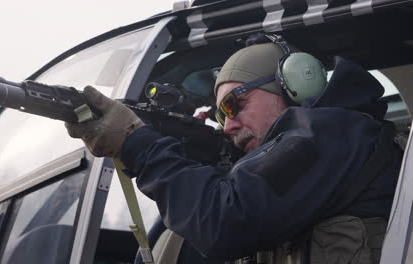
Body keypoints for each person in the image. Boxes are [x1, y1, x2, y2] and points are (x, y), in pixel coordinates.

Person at [66, 34, 402, 263]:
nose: (227, 126)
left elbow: (223, 220)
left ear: (295, 87)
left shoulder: (333, 135)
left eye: (234, 105)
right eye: (219, 114)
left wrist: (139, 145)